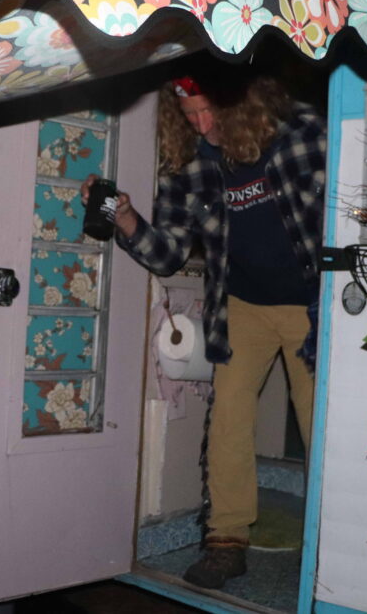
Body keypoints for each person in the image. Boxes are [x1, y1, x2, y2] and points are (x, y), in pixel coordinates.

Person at [82, 68, 326, 589]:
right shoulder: (191, 164)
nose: (203, 124)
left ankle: (332, 541)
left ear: (241, 100)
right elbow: (168, 254)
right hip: (242, 304)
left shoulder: (298, 133)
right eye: (190, 115)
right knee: (228, 420)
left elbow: (347, 210)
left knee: (318, 426)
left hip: (312, 303)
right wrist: (124, 217)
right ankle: (226, 541)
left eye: (209, 110)